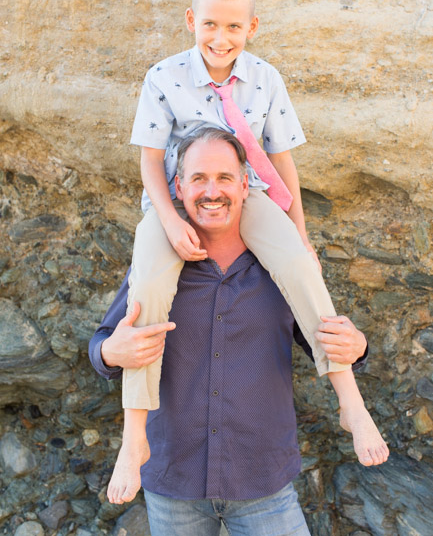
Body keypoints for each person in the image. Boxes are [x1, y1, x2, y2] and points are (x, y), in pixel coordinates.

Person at [113, 0, 385, 503]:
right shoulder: (163, 77)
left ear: (252, 27)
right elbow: (149, 162)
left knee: (302, 270)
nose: (220, 38)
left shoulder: (266, 78)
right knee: (146, 291)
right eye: (210, 24)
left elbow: (284, 166)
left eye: (234, 27)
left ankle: (351, 401)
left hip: (246, 195)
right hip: (177, 196)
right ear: (192, 20)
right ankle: (134, 435)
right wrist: (168, 219)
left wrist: (301, 238)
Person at [89, 129, 389, 525]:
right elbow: (101, 345)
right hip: (174, 480)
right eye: (198, 178)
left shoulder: (280, 266)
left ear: (246, 185)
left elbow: (320, 332)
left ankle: (354, 411)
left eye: (224, 178)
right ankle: (134, 444)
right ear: (178, 187)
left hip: (263, 482)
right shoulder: (154, 267)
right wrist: (111, 351)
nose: (212, 191)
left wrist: (359, 345)